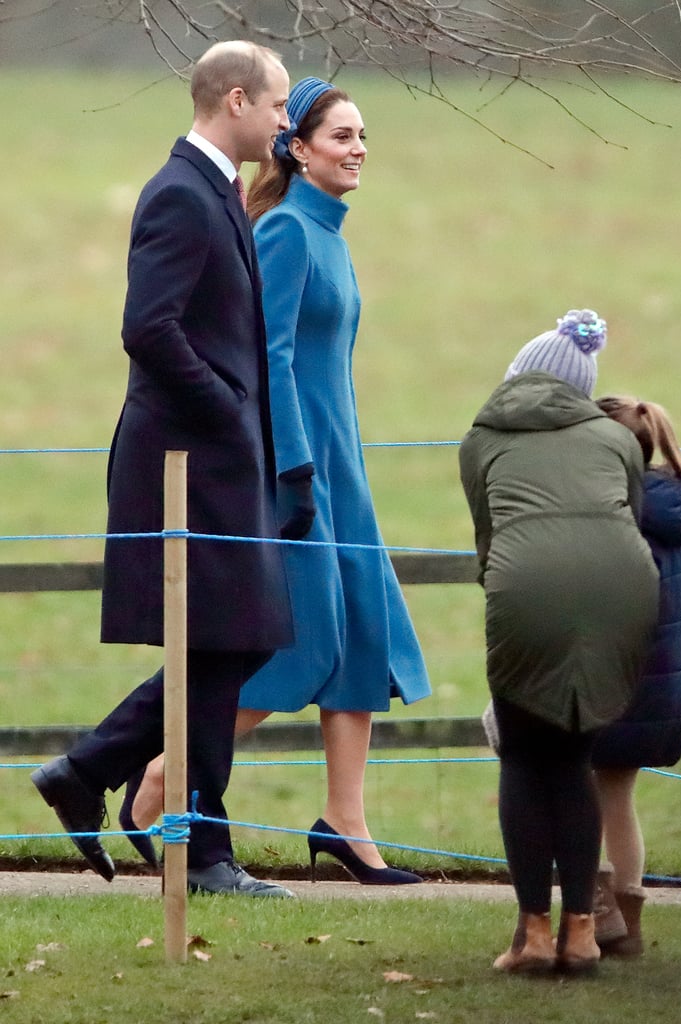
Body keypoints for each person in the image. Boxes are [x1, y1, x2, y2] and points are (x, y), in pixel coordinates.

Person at [126, 76, 431, 885]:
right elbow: (272, 362)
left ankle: (344, 822)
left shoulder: (329, 231)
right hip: (303, 469)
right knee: (298, 647)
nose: (358, 149)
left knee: (363, 633)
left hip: (343, 464)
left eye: (363, 136)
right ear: (296, 147)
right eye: (341, 136)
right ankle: (162, 773)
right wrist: (294, 470)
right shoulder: (288, 231)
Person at [31, 40, 299, 898]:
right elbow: (149, 327)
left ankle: (90, 770)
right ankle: (202, 850)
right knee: (229, 638)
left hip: (216, 462)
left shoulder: (215, 191)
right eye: (278, 105)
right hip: (185, 461)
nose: (285, 121)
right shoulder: (181, 195)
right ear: (233, 101)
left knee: (238, 637)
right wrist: (224, 409)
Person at [459, 309, 659, 973]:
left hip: (525, 590)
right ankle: (581, 933)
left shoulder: (482, 438)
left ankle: (533, 936)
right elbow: (627, 521)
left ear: (518, 375)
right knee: (573, 757)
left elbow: (488, 541)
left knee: (523, 757)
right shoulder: (615, 441)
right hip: (621, 591)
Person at [591, 396, 681, 956]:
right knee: (619, 797)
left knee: (580, 794)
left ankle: (595, 913)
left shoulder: (614, 515)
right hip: (659, 691)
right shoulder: (675, 509)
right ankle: (629, 922)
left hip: (607, 682)